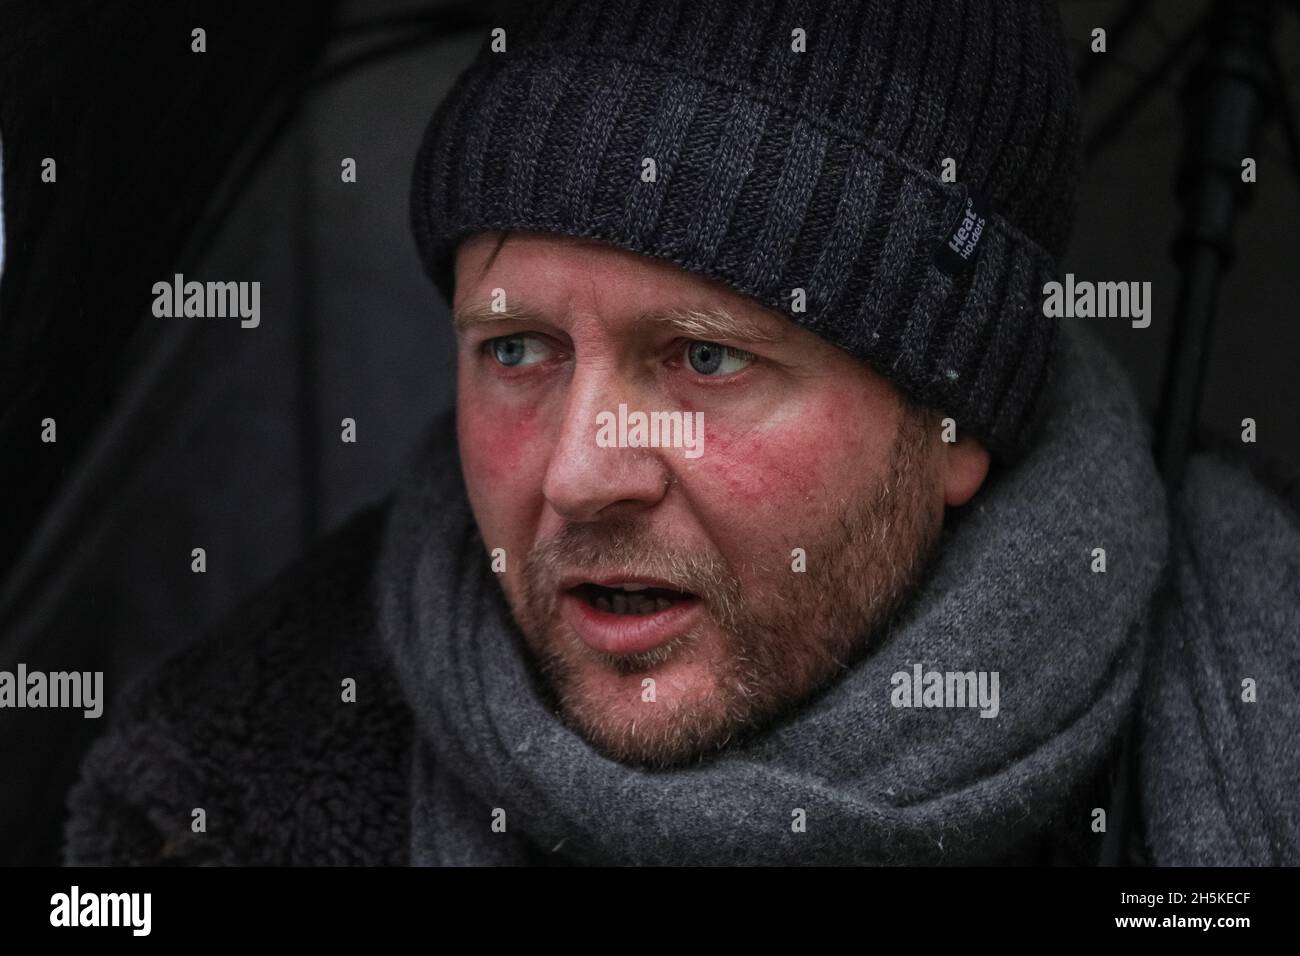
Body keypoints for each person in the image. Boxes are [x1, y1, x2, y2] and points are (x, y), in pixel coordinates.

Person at [64, 0, 1299, 866]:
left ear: (954, 420)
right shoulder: (224, 798)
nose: (579, 471)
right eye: (516, 348)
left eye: (705, 357)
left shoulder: (1260, 715)